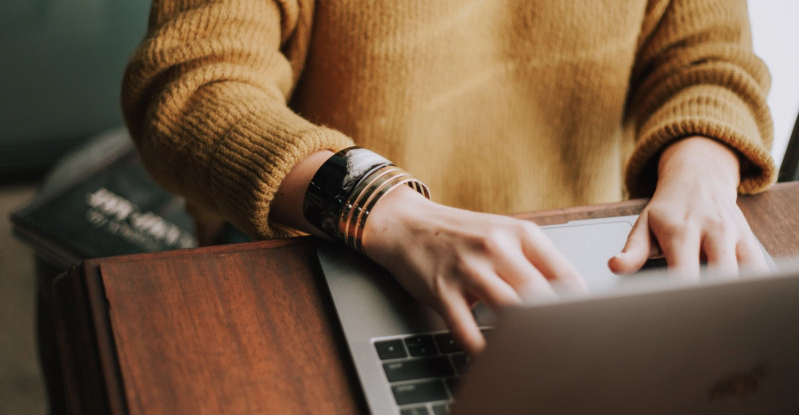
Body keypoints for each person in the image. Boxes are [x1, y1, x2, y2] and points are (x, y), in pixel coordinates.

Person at [122, 0, 776, 354]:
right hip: (329, 256)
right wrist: (385, 208)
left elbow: (710, 57)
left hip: (578, 274)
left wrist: (702, 165)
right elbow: (191, 87)